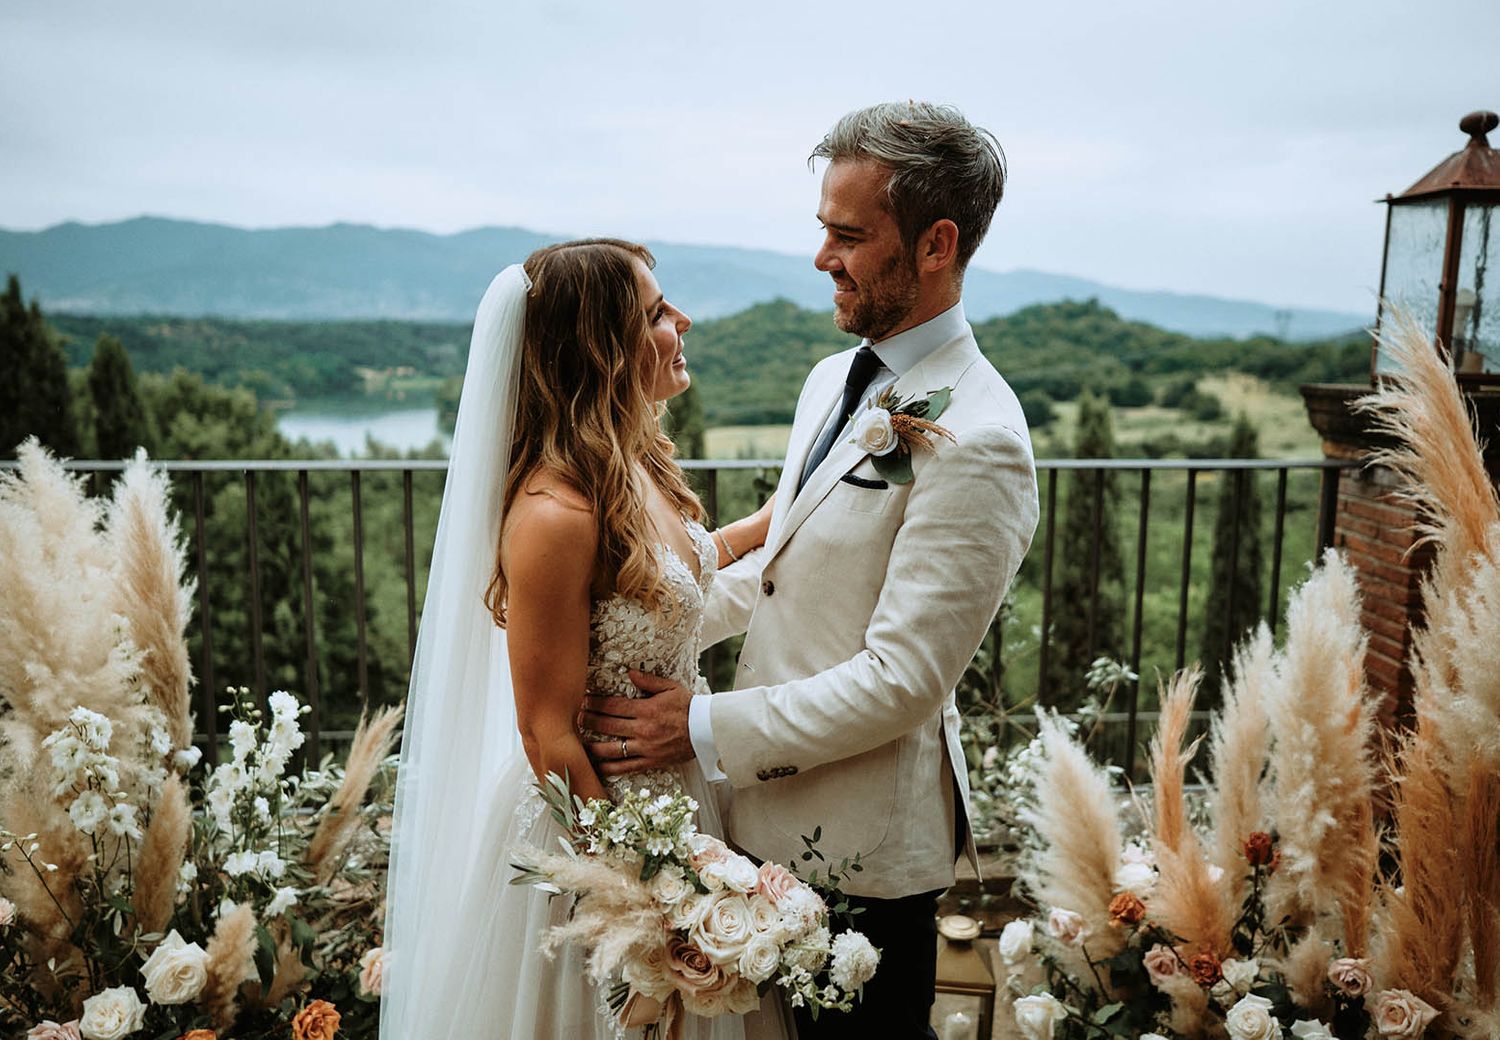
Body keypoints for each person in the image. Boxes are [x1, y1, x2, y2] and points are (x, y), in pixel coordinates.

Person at [581, 102, 1040, 1038]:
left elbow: (904, 680)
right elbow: (779, 573)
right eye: (823, 228)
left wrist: (697, 726)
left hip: (860, 859)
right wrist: (633, 635)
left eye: (848, 234)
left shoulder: (983, 439)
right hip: (748, 833)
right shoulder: (831, 383)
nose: (822, 256)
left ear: (935, 244)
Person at [379, 239, 784, 1039]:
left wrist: (789, 516)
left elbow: (684, 567)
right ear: (603, 347)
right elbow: (547, 734)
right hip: (595, 831)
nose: (683, 321)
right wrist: (648, 892)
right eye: (657, 314)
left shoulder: (634, 469)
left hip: (684, 802)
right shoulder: (554, 515)